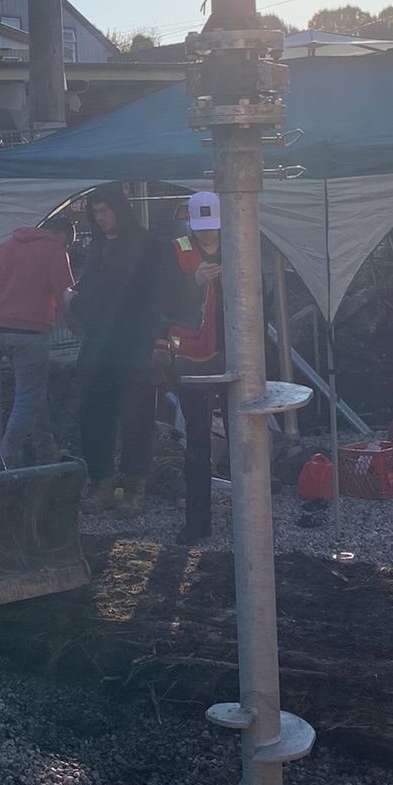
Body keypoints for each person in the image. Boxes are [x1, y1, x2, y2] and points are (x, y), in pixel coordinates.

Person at [68, 183, 172, 508]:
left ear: (119, 209)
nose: (100, 218)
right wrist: (75, 301)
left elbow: (163, 299)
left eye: (105, 210)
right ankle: (101, 483)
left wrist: (159, 344)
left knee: (136, 420)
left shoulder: (150, 248)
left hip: (134, 346)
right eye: (95, 212)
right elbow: (89, 292)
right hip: (97, 347)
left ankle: (134, 488)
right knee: (93, 416)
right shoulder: (97, 248)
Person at [0, 213, 75, 469]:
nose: (67, 248)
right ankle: (6, 460)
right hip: (31, 333)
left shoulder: (7, 247)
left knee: (33, 390)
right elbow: (66, 299)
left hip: (2, 330)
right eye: (68, 243)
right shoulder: (54, 250)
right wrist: (80, 334)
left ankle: (45, 448)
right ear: (63, 235)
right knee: (27, 398)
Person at [162, 190, 228, 543]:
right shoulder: (175, 251)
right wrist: (194, 283)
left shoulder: (238, 247)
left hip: (232, 354)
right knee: (197, 441)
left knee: (242, 436)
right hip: (192, 359)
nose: (207, 232)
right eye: (202, 225)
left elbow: (258, 296)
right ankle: (198, 521)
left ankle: (251, 515)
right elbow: (165, 304)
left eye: (211, 225)